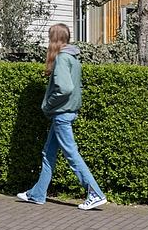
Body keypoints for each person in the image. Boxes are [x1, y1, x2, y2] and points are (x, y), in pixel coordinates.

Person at [17, 23, 107, 210]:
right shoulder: (73, 58)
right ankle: (37, 194)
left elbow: (65, 89)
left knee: (71, 154)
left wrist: (48, 105)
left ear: (55, 40)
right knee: (48, 153)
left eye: (50, 38)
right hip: (66, 114)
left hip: (61, 115)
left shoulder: (62, 59)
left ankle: (94, 193)